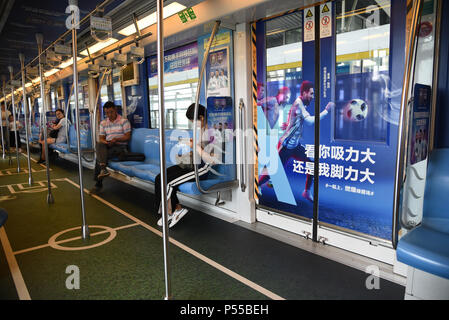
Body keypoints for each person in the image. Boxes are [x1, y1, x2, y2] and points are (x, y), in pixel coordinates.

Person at [154, 103, 217, 228]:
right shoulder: (203, 129)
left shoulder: (214, 132)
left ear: (201, 117)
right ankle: (176, 209)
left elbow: (212, 160)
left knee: (169, 183)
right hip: (195, 163)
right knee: (160, 178)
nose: (194, 124)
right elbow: (201, 148)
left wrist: (196, 147)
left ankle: (169, 213)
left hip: (204, 168)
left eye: (194, 121)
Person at [276, 80, 334, 202]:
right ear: (304, 93)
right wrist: (327, 110)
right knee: (274, 170)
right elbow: (309, 121)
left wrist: (288, 125)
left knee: (312, 163)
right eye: (311, 94)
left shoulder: (301, 103)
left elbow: (294, 118)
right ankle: (258, 185)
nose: (313, 97)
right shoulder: (299, 104)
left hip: (295, 146)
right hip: (286, 145)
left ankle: (306, 192)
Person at [91, 101, 131, 193]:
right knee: (99, 144)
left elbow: (127, 137)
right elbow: (101, 138)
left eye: (111, 112)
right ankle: (103, 169)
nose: (109, 115)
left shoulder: (124, 121)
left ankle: (99, 183)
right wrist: (106, 142)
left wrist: (116, 139)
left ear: (115, 110)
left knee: (99, 157)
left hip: (120, 147)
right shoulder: (103, 123)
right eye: (107, 113)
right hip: (109, 146)